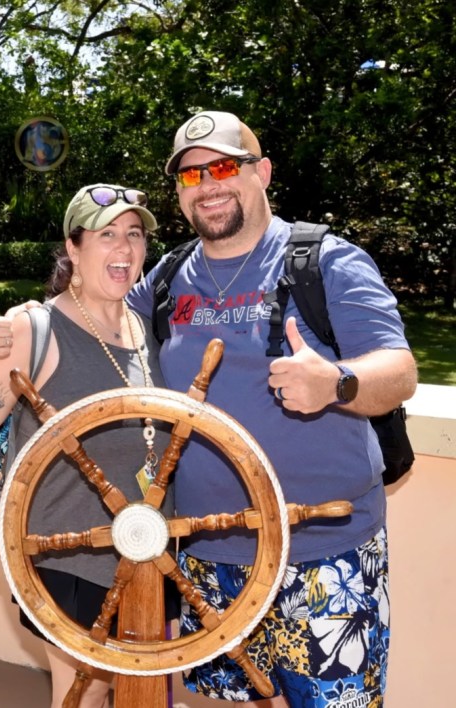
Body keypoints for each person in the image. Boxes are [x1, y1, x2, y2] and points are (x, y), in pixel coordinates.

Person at [125, 110, 418, 706]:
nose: (207, 185)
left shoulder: (325, 261)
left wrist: (336, 382)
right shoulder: (167, 278)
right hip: (210, 554)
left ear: (261, 173)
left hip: (323, 553)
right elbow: (97, 322)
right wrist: (25, 327)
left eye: (224, 167)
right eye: (190, 176)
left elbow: (400, 371)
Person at [0, 184, 173, 708]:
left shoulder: (143, 328)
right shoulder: (36, 328)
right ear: (73, 249)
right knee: (86, 693)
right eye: (107, 234)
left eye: (135, 235)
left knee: (141, 691)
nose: (124, 248)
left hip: (146, 552)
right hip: (69, 556)